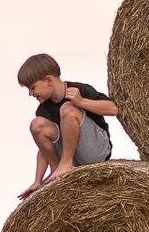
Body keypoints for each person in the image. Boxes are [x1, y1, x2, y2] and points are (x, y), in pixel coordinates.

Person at [17, 53, 118, 200]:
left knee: (68, 108)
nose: (30, 93)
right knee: (37, 125)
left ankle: (65, 164)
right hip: (73, 156)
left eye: (32, 88)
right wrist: (37, 181)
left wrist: (81, 102)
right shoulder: (43, 109)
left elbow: (113, 109)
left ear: (48, 80)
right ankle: (57, 169)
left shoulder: (79, 89)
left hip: (96, 152)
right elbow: (43, 148)